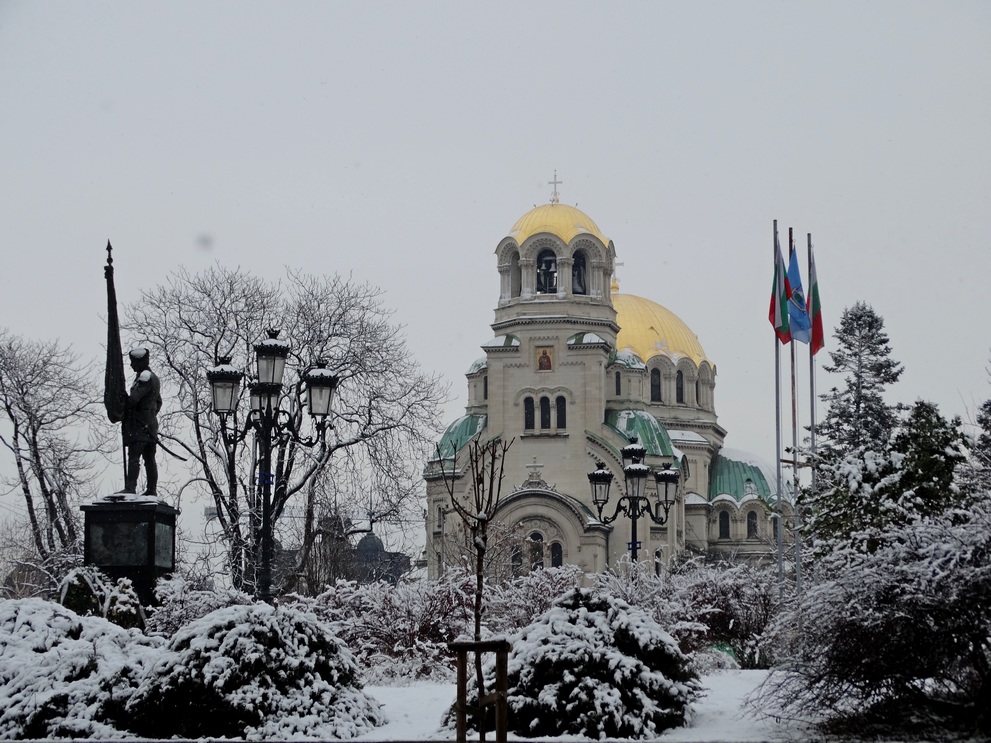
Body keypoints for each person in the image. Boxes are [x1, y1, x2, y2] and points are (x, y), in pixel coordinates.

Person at [122, 347, 162, 495]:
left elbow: (133, 400)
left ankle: (130, 488)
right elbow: (158, 402)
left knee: (134, 457)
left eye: (133, 362)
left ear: (141, 361)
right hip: (150, 424)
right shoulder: (154, 378)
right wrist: (150, 415)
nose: (131, 365)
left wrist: (122, 400)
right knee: (149, 458)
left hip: (140, 425)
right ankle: (151, 490)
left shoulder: (144, 378)